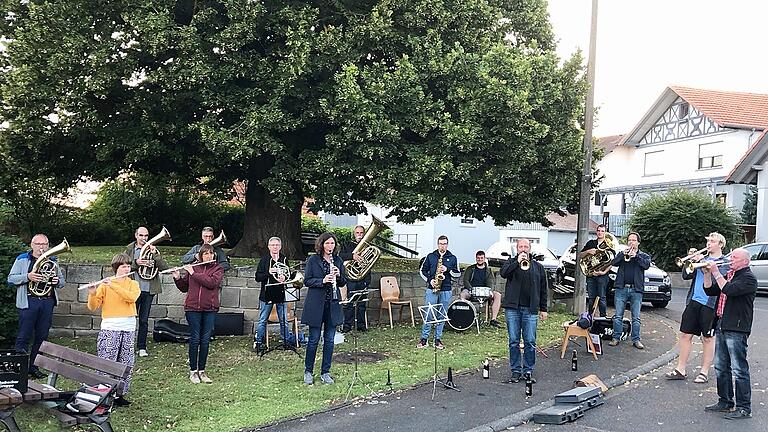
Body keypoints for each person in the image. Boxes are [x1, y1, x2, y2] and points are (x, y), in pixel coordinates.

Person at [702, 248, 757, 419]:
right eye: (731, 256)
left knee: (739, 369)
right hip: (722, 324)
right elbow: (710, 291)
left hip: (737, 327)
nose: (730, 259)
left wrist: (716, 272)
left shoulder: (748, 278)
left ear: (745, 262)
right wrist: (706, 274)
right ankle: (725, 401)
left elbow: (729, 290)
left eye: (735, 257)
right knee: (720, 366)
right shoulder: (730, 275)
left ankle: (743, 408)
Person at [666, 233, 727, 383]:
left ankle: (704, 372)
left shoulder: (724, 262)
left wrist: (703, 261)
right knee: (686, 335)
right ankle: (680, 369)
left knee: (707, 338)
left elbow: (720, 280)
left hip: (710, 304)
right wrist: (690, 262)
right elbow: (686, 276)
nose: (708, 244)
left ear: (720, 244)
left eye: (712, 241)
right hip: (693, 301)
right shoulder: (701, 257)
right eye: (708, 241)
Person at [86, 253, 140, 406]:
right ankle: (103, 393)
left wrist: (113, 285)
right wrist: (92, 293)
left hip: (128, 327)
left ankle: (119, 395)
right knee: (107, 361)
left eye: (128, 266)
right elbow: (93, 306)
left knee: (126, 362)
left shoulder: (132, 284)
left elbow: (131, 298)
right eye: (123, 266)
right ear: (116, 268)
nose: (127, 269)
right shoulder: (104, 285)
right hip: (110, 327)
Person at [8, 234, 65, 379]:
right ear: (32, 245)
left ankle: (34, 367)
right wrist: (28, 276)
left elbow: (62, 283)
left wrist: (56, 281)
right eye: (38, 244)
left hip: (47, 301)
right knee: (24, 336)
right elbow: (11, 278)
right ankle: (19, 369)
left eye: (45, 244)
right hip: (29, 301)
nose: (42, 247)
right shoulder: (22, 259)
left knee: (42, 337)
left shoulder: (52, 260)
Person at [172, 244, 225, 384]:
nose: (209, 256)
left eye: (211, 253)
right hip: (192, 308)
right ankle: (193, 371)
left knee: (205, 339)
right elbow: (184, 287)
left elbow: (212, 283)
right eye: (205, 254)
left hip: (210, 308)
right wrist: (177, 278)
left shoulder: (217, 268)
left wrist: (193, 273)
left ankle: (202, 370)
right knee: (195, 338)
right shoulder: (193, 267)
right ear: (201, 255)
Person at [499, 238, 548, 383]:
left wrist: (543, 309)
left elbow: (543, 289)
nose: (523, 249)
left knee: (530, 341)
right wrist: (516, 262)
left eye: (526, 246)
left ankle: (528, 370)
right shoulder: (510, 262)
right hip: (512, 308)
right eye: (521, 246)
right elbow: (503, 273)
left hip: (530, 309)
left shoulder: (538, 267)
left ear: (530, 249)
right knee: (513, 341)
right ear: (517, 248)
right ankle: (515, 371)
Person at [302, 232, 346, 385]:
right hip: (316, 305)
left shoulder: (338, 260)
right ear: (321, 245)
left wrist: (339, 275)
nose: (330, 246)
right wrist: (323, 280)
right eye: (327, 243)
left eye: (332, 244)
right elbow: (307, 281)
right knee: (313, 340)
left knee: (329, 340)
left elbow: (342, 282)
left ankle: (325, 372)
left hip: (332, 304)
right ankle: (308, 371)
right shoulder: (313, 260)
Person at [126, 227, 168, 358]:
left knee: (144, 320)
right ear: (136, 235)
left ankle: (141, 347)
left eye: (146, 236)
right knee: (130, 319)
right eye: (141, 235)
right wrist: (136, 263)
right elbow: (122, 266)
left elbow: (164, 268)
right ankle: (128, 346)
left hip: (148, 289)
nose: (144, 238)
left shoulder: (152, 249)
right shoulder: (130, 249)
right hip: (133, 290)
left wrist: (155, 255)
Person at [607, 232, 651, 349]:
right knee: (618, 315)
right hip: (621, 288)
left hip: (636, 290)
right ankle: (616, 338)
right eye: (629, 240)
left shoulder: (643, 256)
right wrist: (623, 255)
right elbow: (613, 263)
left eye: (634, 240)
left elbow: (646, 265)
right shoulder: (623, 254)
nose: (631, 242)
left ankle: (636, 340)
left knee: (636, 317)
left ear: (638, 243)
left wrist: (635, 256)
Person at [418, 235, 460, 349]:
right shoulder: (431, 256)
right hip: (432, 288)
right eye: (441, 244)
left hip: (446, 289)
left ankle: (437, 339)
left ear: (447, 244)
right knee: (428, 314)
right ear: (438, 244)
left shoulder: (452, 258)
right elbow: (422, 271)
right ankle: (424, 339)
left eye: (445, 243)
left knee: (442, 315)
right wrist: (429, 280)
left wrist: (448, 270)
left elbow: (457, 274)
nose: (443, 246)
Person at [253, 237, 290, 354]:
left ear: (280, 246)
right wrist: (268, 273)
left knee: (283, 319)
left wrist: (285, 277)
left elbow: (288, 273)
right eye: (272, 245)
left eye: (277, 245)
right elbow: (258, 277)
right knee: (263, 319)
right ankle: (259, 342)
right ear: (268, 247)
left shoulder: (284, 259)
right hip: (267, 293)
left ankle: (286, 342)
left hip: (281, 292)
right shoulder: (264, 260)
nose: (275, 247)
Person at [339, 225, 371, 332]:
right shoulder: (347, 245)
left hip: (363, 278)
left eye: (361, 233)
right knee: (349, 303)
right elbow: (340, 256)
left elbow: (370, 264)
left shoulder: (368, 247)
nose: (360, 235)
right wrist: (352, 256)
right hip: (351, 278)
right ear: (354, 234)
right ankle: (347, 326)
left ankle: (361, 326)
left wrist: (367, 281)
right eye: (357, 233)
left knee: (362, 304)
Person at [460, 250, 502, 327]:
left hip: (485, 292)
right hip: (472, 291)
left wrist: (490, 291)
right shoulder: (470, 269)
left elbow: (491, 282)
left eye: (481, 258)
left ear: (484, 258)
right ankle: (464, 318)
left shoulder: (488, 270)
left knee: (498, 295)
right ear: (476, 259)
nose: (480, 259)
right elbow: (465, 281)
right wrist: (470, 289)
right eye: (478, 258)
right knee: (463, 294)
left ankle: (493, 319)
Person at [578, 224, 611, 317]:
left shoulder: (609, 245)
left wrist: (603, 272)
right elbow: (580, 255)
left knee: (602, 298)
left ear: (605, 233)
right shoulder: (590, 243)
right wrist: (588, 252)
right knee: (591, 298)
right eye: (599, 230)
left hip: (602, 275)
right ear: (596, 232)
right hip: (591, 274)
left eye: (602, 231)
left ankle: (603, 318)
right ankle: (590, 317)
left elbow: (611, 261)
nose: (600, 233)